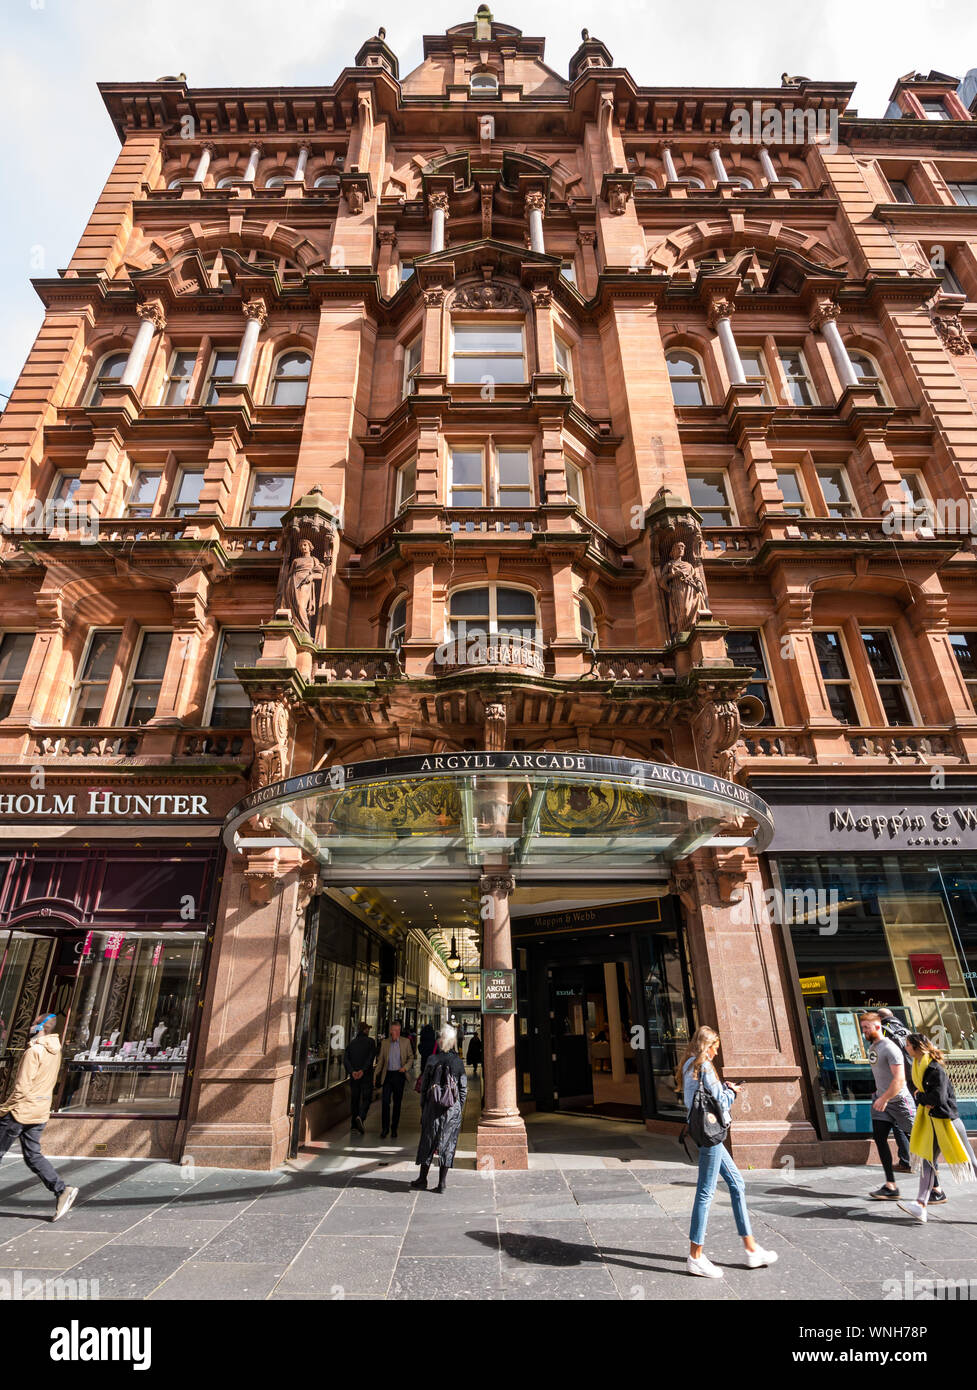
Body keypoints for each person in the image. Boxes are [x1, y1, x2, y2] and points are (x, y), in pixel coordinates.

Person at [679, 1025, 777, 1278]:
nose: (716, 1053)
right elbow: (720, 1102)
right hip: (711, 1135)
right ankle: (695, 1256)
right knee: (705, 1192)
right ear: (708, 1046)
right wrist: (732, 1091)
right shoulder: (705, 1066)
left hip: (703, 1132)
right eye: (715, 1048)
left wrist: (723, 1088)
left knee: (737, 1184)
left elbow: (699, 1098)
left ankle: (751, 1248)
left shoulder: (688, 1063)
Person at [0, 1013, 78, 1221]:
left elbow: (22, 1087)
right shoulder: (55, 1051)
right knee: (33, 1155)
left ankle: (61, 1190)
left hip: (20, 1111)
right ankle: (61, 1190)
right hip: (40, 1109)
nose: (30, 1026)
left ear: (40, 1026)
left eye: (33, 1023)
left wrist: (3, 1108)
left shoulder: (34, 1051)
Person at [898, 1033, 977, 1221]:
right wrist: (922, 1098)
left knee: (970, 1162)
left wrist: (919, 1097)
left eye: (908, 1045)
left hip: (948, 1122)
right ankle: (920, 1204)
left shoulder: (934, 1069)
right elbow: (922, 1094)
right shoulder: (918, 1067)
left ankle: (920, 1204)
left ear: (918, 1048)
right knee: (927, 1160)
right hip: (932, 1122)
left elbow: (937, 1099)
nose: (906, 1048)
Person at [859, 1011, 917, 1200]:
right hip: (882, 1101)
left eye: (867, 1028)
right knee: (880, 1138)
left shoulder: (889, 1047)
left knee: (918, 1141)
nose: (864, 1032)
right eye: (862, 1028)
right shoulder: (873, 1048)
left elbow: (900, 1079)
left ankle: (935, 1187)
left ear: (878, 1026)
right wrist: (878, 1094)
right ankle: (890, 1185)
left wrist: (884, 1098)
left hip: (899, 1102)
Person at [412, 1024, 468, 1194]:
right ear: (452, 1042)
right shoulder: (457, 1062)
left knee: (428, 1141)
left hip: (432, 1108)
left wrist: (424, 1106)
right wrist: (458, 1108)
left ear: (441, 1041)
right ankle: (442, 1183)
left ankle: (423, 1179)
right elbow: (463, 1089)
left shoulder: (431, 1060)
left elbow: (424, 1088)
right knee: (448, 1143)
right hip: (452, 1110)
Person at [877, 1008, 922, 1180]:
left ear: (880, 1018)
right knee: (915, 1116)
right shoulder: (906, 1030)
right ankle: (927, 1159)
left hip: (899, 1080)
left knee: (898, 1119)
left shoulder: (885, 1031)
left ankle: (907, 1160)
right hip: (915, 1078)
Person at [374, 1019, 414, 1140]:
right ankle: (384, 1128)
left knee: (397, 1103)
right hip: (388, 1076)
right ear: (390, 1031)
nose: (396, 1032)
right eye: (394, 1030)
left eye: (398, 1030)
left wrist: (405, 1067)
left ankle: (394, 1128)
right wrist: (375, 1075)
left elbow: (411, 1057)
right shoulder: (385, 1043)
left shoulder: (405, 1042)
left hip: (399, 1075)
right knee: (385, 1102)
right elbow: (380, 1061)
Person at [343, 1021, 377, 1134]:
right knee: (367, 1098)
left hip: (354, 1077)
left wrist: (352, 1072)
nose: (369, 1030)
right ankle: (361, 1117)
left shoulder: (352, 1043)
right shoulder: (371, 1042)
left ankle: (353, 1125)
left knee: (355, 1100)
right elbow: (371, 1058)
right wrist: (363, 1070)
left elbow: (346, 1059)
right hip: (366, 1076)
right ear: (365, 1030)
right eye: (368, 1029)